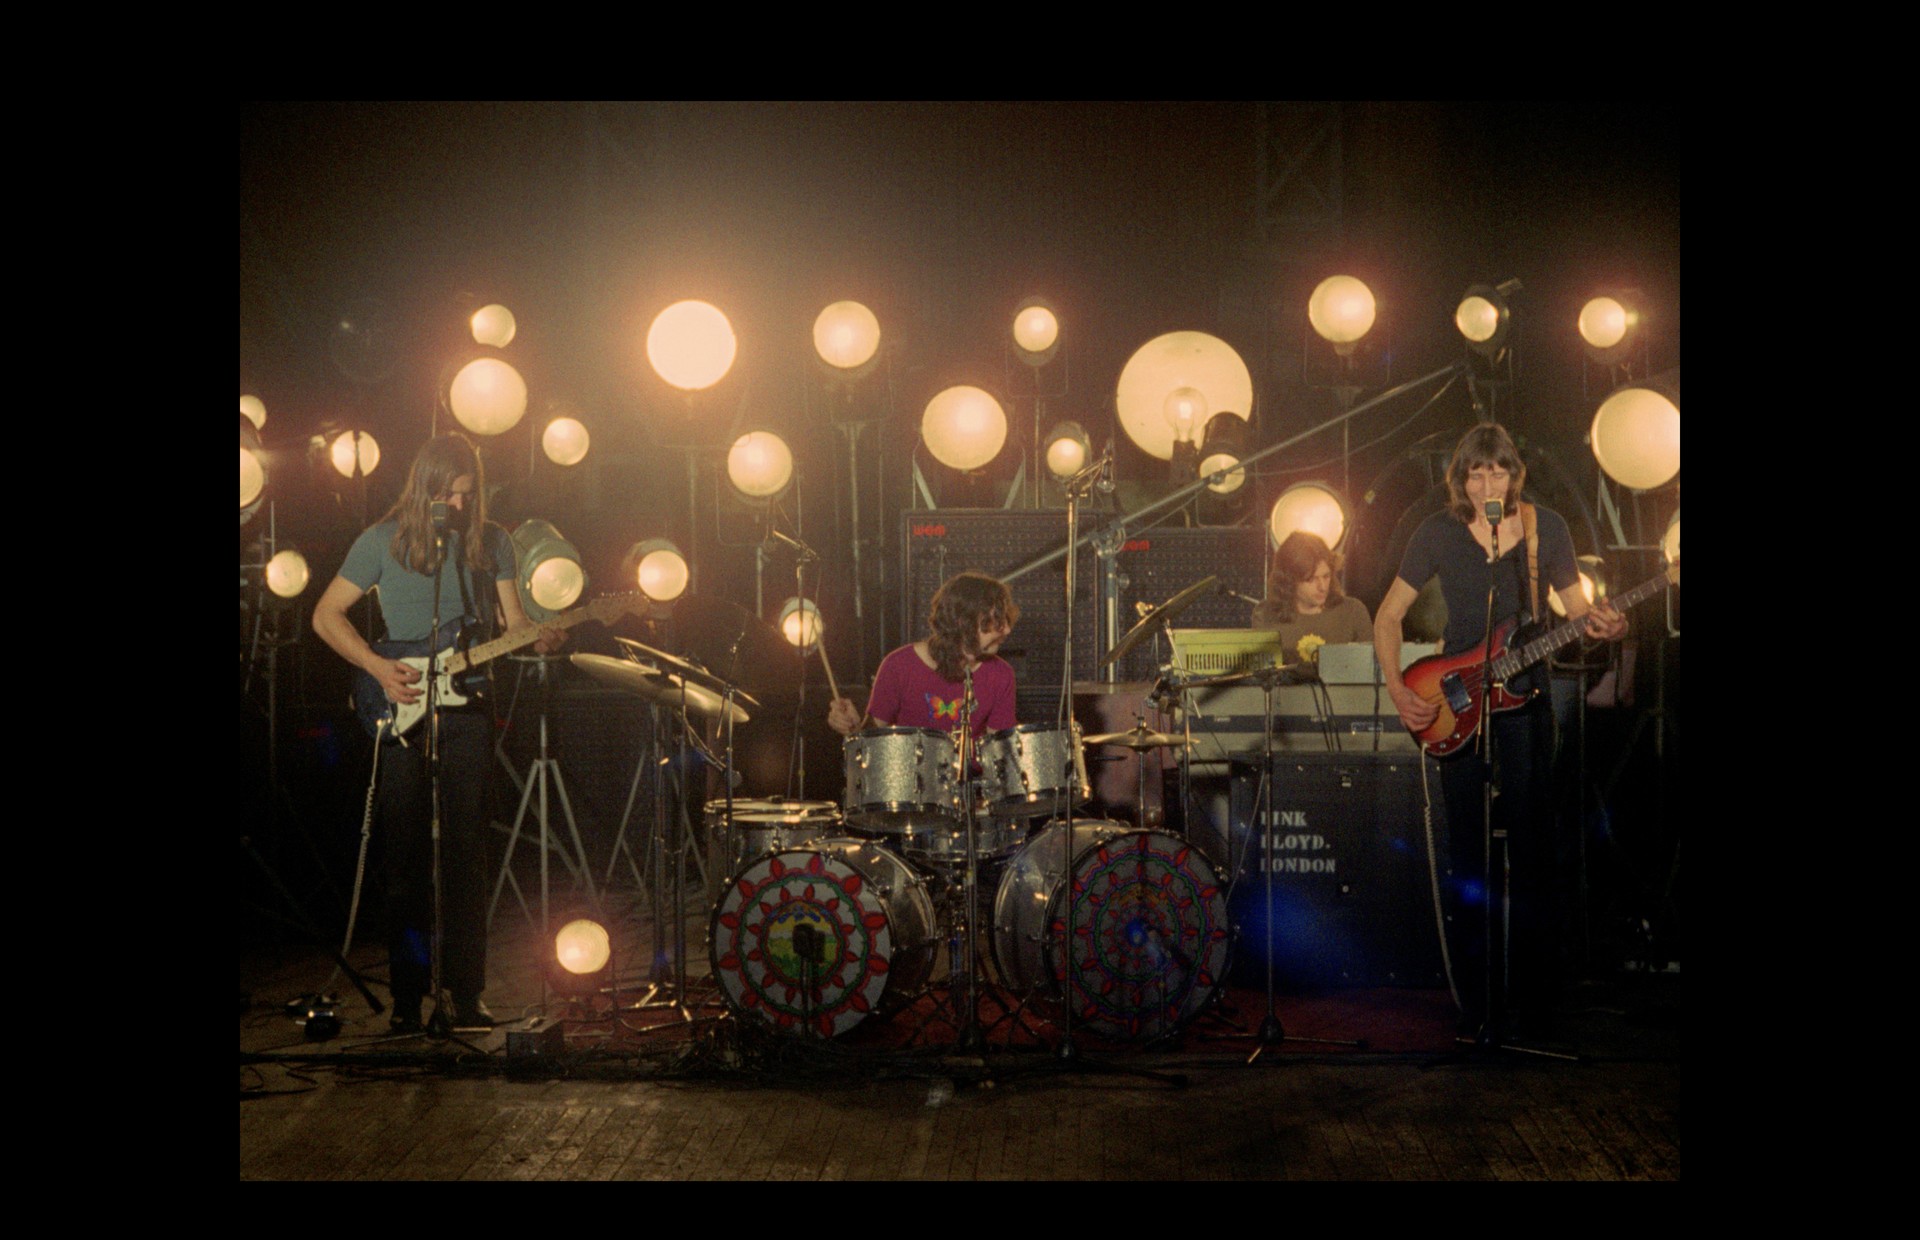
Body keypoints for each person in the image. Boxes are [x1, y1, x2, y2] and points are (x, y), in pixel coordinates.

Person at [1372, 423, 1626, 1039]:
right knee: (1468, 854)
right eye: (1476, 473)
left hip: (1526, 705)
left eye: (1499, 471)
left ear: (1515, 476)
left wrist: (1605, 626)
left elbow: (1573, 609)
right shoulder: (1435, 532)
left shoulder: (1547, 529)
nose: (1488, 483)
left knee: (1534, 852)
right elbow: (1387, 616)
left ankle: (1534, 1002)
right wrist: (1399, 689)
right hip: (1456, 703)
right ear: (1461, 480)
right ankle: (1477, 1000)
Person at [312, 433, 563, 1035]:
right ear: (423, 487)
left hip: (468, 711)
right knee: (403, 859)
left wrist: (543, 636)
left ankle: (466, 993)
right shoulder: (380, 540)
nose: (458, 505)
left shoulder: (492, 542)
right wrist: (377, 667)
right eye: (448, 494)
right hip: (401, 709)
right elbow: (325, 614)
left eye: (467, 495)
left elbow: (514, 624)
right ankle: (407, 997)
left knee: (465, 855)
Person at [827, 571, 1018, 739]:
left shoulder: (1001, 674)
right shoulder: (899, 665)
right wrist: (853, 728)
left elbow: (1001, 752)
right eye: (996, 621)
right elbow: (871, 743)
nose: (1008, 629)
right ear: (963, 622)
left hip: (972, 771)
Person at [1249, 530, 1373, 664]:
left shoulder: (1353, 612)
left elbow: (1370, 667)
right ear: (1289, 580)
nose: (1322, 587)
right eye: (1311, 579)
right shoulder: (1266, 615)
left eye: (1326, 576)